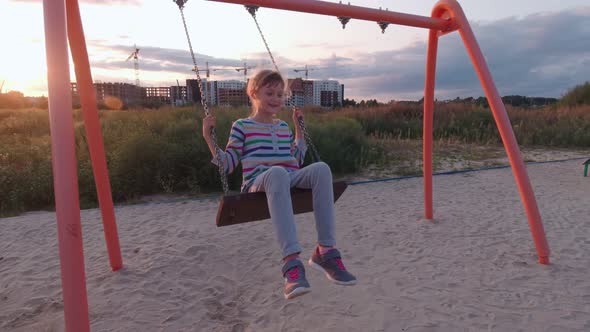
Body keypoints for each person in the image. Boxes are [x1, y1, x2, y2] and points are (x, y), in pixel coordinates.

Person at [202, 69, 356, 300]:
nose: (276, 98)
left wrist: (298, 129)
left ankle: (325, 251)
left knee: (321, 168)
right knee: (277, 173)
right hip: (259, 180)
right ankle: (291, 264)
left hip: (286, 175)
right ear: (254, 93)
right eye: (270, 93)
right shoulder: (241, 126)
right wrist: (208, 137)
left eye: (280, 94)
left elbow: (296, 158)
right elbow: (228, 163)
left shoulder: (282, 127)